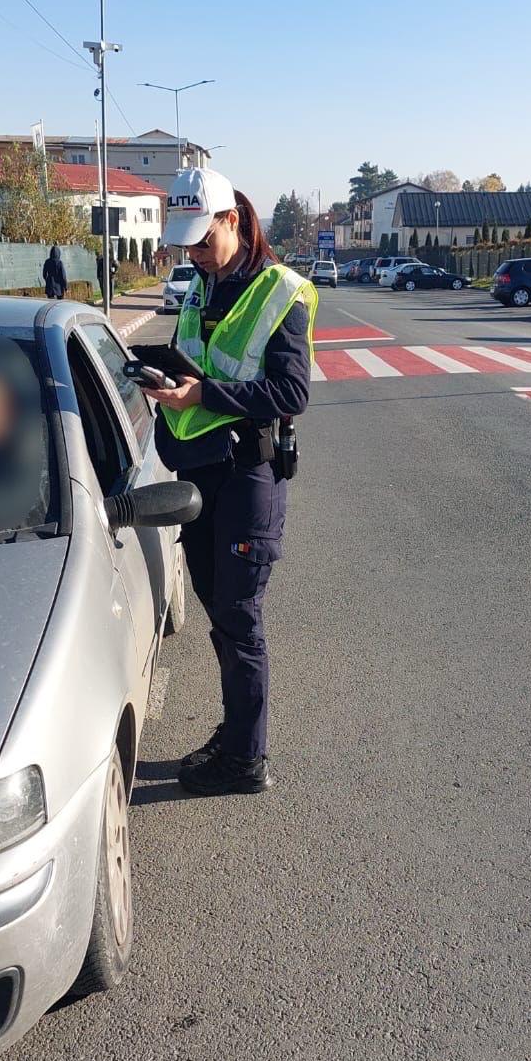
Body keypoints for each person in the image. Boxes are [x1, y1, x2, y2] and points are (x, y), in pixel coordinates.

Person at [150, 167, 317, 796]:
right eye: (185, 243)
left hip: (250, 473)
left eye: (202, 238)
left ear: (234, 220)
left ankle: (247, 760)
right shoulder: (201, 285)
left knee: (240, 618)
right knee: (222, 613)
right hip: (201, 472)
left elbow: (292, 391)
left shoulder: (281, 291)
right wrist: (166, 385)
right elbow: (191, 357)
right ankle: (236, 731)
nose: (194, 253)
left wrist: (204, 393)